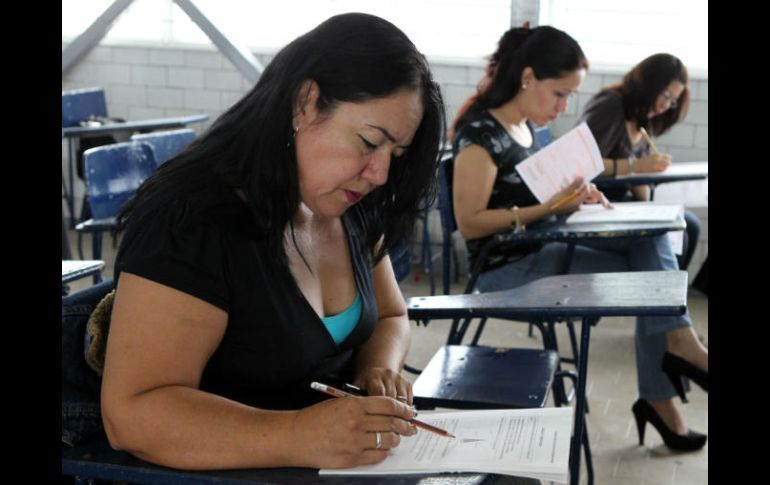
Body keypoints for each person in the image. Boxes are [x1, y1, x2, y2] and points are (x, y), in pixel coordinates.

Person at [100, 13, 445, 470]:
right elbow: (132, 415)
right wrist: (299, 434)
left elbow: (391, 313)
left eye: (393, 155)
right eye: (368, 142)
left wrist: (377, 367)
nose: (380, 174)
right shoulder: (190, 219)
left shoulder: (349, 205)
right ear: (305, 102)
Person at [450, 25, 708, 451]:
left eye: (570, 95)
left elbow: (533, 193)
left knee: (653, 241)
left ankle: (672, 362)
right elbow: (471, 223)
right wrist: (551, 207)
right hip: (506, 269)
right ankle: (672, 363)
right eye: (560, 93)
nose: (565, 106)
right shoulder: (481, 133)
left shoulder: (525, 129)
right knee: (652, 274)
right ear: (527, 77)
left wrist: (573, 193)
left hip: (540, 244)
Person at [576, 53, 702, 273]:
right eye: (665, 95)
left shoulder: (642, 118)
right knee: (659, 233)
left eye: (672, 101)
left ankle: (667, 291)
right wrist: (636, 166)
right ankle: (663, 297)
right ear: (648, 83)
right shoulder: (610, 105)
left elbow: (638, 178)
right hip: (596, 204)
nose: (665, 106)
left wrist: (652, 198)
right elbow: (581, 163)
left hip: (622, 200)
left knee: (689, 225)